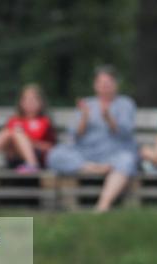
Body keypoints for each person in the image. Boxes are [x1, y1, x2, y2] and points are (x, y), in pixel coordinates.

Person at [47, 65, 137, 212]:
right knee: (55, 155)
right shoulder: (87, 104)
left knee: (127, 160)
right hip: (86, 154)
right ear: (95, 85)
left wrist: (109, 119)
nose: (105, 87)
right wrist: (84, 117)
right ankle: (94, 168)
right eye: (101, 83)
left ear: (115, 85)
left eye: (108, 83)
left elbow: (126, 134)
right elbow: (75, 135)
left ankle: (103, 205)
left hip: (114, 153)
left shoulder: (125, 103)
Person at [0, 83, 56, 175]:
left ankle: (32, 164)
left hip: (38, 158)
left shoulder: (45, 122)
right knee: (7, 133)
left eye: (33, 99)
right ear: (20, 102)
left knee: (16, 133)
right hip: (14, 159)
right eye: (26, 99)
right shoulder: (14, 120)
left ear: (41, 102)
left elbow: (51, 147)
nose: (29, 102)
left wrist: (28, 142)